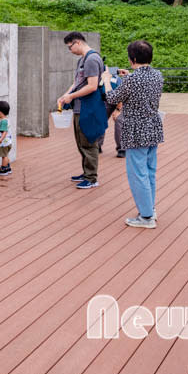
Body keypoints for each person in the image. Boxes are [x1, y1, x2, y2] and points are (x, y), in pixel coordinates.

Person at [102, 40, 164, 228]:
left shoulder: (132, 80)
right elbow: (141, 86)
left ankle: (146, 217)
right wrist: (129, 76)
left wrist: (106, 81)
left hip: (136, 129)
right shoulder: (157, 75)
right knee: (149, 171)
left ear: (133, 58)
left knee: (137, 173)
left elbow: (112, 98)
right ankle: (149, 209)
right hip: (153, 126)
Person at [57, 32, 106, 189]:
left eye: (70, 47)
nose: (70, 51)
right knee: (81, 142)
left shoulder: (92, 59)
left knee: (88, 142)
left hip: (89, 108)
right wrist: (66, 95)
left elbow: (92, 86)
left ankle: (91, 177)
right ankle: (86, 172)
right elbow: (77, 82)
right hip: (80, 107)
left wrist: (71, 96)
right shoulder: (82, 60)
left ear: (77, 42)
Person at [0, 101, 13, 176]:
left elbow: (4, 131)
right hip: (8, 142)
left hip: (4, 143)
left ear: (0, 112)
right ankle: (8, 168)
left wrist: (0, 139)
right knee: (6, 155)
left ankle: (3, 169)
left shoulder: (3, 121)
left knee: (4, 156)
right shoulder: (6, 120)